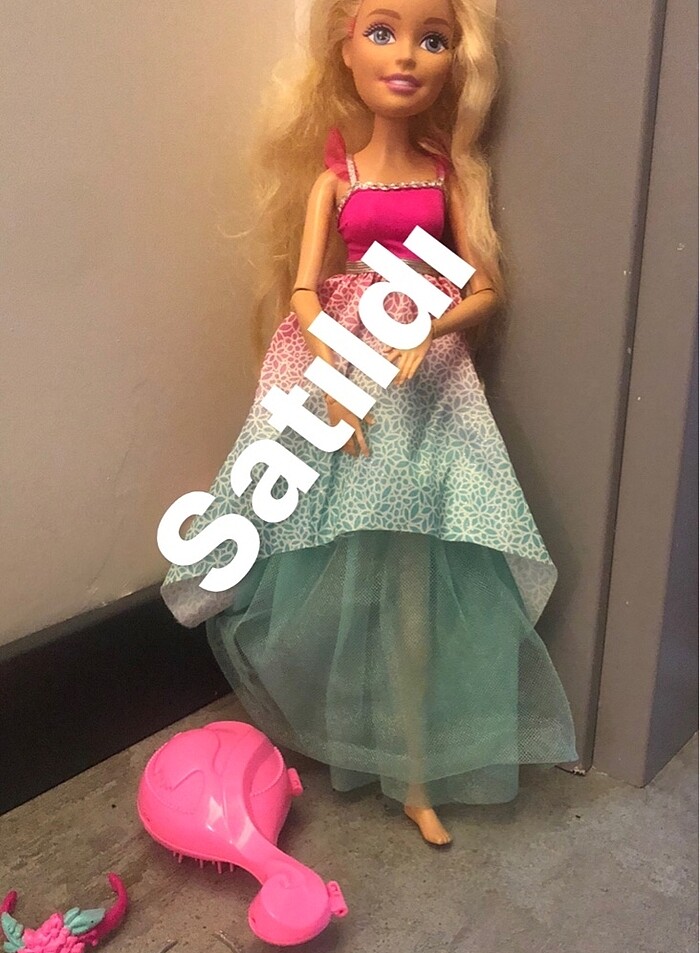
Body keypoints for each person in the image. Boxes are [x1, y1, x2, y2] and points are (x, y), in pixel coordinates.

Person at [161, 0, 578, 847]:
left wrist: (430, 329)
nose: (408, 57)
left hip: (425, 385)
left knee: (418, 573)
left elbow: (486, 288)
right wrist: (336, 378)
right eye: (383, 32)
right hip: (342, 376)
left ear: (454, 62)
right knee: (342, 561)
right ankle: (360, 737)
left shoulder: (450, 177)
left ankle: (414, 772)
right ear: (344, 49)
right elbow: (305, 291)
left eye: (433, 39)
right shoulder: (336, 180)